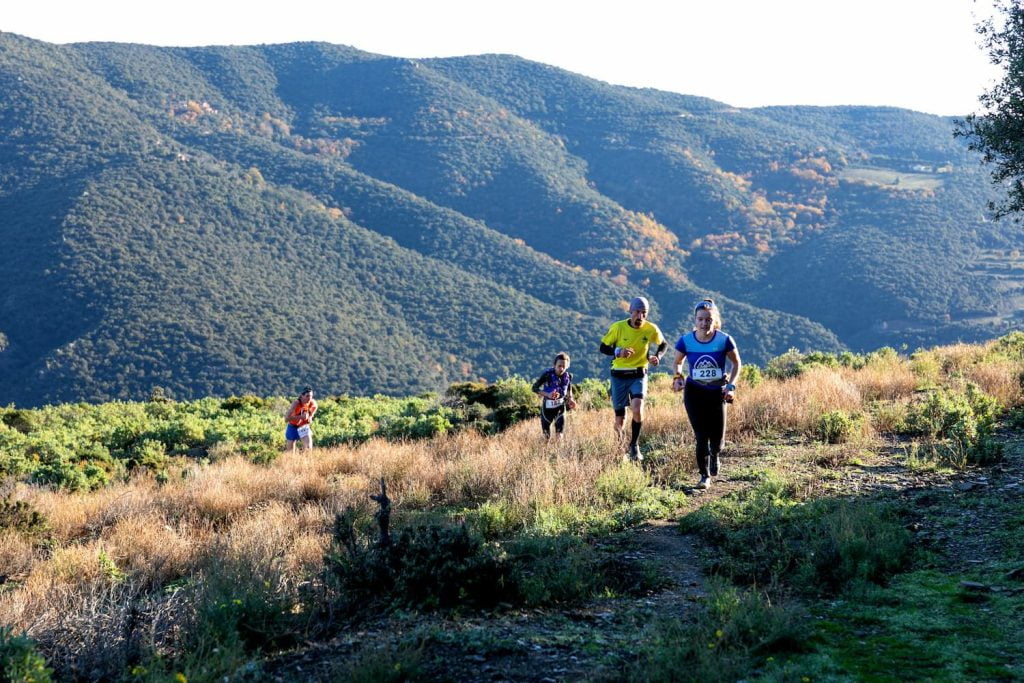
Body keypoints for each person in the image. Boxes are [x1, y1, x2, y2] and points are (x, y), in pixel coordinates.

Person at [671, 299, 741, 489]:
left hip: (717, 392)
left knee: (717, 439)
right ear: (695, 320)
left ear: (714, 320)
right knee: (701, 435)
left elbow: (736, 364)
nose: (704, 323)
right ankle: (704, 476)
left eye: (708, 319)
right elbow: (677, 361)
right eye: (700, 319)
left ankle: (715, 455)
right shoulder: (686, 340)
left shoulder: (724, 339)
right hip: (694, 392)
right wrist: (678, 377)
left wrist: (731, 386)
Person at [599, 296, 668, 462]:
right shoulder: (618, 328)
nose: (640, 316)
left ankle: (634, 446)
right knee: (620, 419)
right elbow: (603, 347)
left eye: (644, 313)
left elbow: (663, 344)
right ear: (630, 311)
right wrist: (618, 352)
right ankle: (620, 447)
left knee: (637, 408)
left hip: (638, 373)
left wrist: (657, 356)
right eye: (637, 312)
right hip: (619, 375)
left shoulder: (651, 329)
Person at [531, 352, 577, 441]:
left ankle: (558, 453)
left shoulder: (568, 376)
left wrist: (571, 398)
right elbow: (534, 388)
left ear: (567, 366)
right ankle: (545, 454)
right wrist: (547, 394)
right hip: (547, 409)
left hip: (560, 408)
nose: (561, 368)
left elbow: (568, 387)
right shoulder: (547, 375)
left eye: (564, 366)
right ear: (554, 365)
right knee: (546, 438)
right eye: (559, 366)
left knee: (559, 436)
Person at [285, 386, 318, 452]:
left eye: (311, 396)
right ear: (301, 396)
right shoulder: (296, 404)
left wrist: (310, 416)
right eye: (307, 396)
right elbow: (286, 419)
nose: (309, 398)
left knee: (308, 449)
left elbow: (315, 406)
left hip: (303, 427)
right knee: (290, 453)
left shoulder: (311, 402)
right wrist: (301, 417)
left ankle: (306, 461)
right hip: (292, 427)